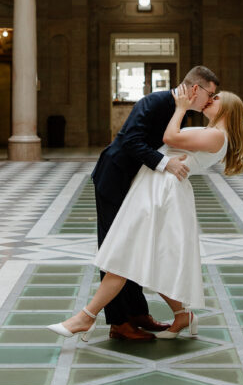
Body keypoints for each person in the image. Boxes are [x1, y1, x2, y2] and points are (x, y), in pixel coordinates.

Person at [47, 85, 243, 342]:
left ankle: (86, 317)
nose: (211, 99)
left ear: (229, 110)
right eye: (211, 94)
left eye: (216, 98)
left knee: (127, 254)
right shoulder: (212, 132)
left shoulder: (217, 136)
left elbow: (170, 138)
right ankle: (180, 314)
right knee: (143, 257)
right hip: (155, 188)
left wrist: (180, 109)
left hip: (162, 192)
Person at [85, 65, 219, 341]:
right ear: (196, 89)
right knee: (117, 249)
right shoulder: (155, 101)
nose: (210, 101)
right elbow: (131, 141)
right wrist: (165, 164)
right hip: (115, 178)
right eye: (210, 94)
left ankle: (137, 314)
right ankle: (119, 323)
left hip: (136, 184)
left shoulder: (178, 112)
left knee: (133, 246)